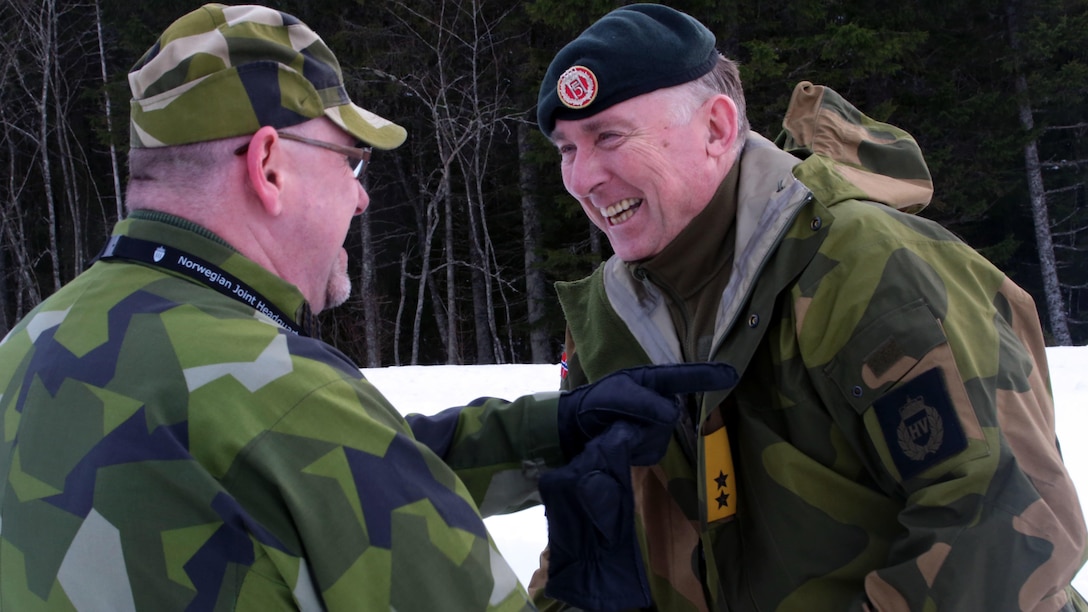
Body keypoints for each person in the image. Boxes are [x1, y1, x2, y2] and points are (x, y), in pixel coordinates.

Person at [0, 4, 738, 610]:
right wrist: (592, 592)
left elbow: (332, 469)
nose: (361, 195)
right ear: (268, 166)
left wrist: (554, 428)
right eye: (348, 161)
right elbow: (313, 449)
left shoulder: (28, 347)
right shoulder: (279, 395)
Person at [529, 4, 1088, 611]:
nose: (583, 178)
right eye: (566, 150)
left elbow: (1004, 526)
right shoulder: (609, 321)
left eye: (609, 137)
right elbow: (586, 549)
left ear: (716, 128)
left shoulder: (867, 267)